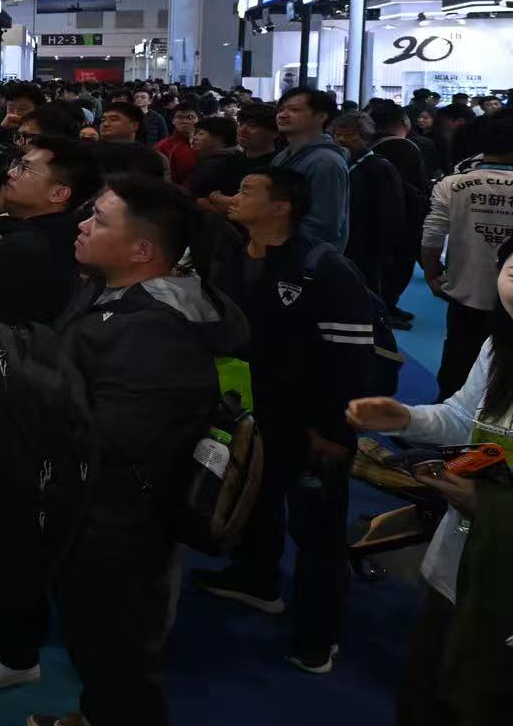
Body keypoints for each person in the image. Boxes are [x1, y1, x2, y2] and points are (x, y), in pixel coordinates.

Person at [31, 175, 250, 726]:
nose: (83, 225)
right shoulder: (114, 294)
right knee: (101, 650)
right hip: (98, 513)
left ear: (142, 251)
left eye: (100, 220)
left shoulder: (154, 331)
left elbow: (114, 438)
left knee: (119, 655)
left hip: (118, 525)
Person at [194, 169, 376, 672]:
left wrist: (335, 430)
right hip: (254, 412)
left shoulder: (323, 268)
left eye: (247, 191)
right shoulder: (235, 256)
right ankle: (256, 579)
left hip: (314, 423)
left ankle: (318, 635)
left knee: (318, 531)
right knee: (255, 498)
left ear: (281, 207)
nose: (234, 196)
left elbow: (352, 358)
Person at [346, 237, 513, 726]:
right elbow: (463, 417)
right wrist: (404, 418)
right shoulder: (498, 348)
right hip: (455, 566)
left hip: (503, 592)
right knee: (427, 691)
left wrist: (490, 506)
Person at [0, 135, 97, 326]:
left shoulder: (30, 247)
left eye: (25, 168)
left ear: (58, 193)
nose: (11, 173)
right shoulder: (56, 233)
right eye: (17, 165)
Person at [422, 114, 513, 397]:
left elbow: (432, 236)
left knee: (458, 362)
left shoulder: (453, 182)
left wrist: (431, 274)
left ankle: (448, 413)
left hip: (466, 291)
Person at [331, 110, 406, 301]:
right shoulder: (337, 163)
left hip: (368, 247)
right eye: (337, 134)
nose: (341, 140)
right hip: (342, 243)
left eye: (349, 135)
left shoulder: (379, 167)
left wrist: (383, 250)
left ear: (365, 136)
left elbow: (389, 215)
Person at [371, 99, 433, 326]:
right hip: (405, 218)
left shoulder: (372, 145)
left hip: (377, 215)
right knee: (399, 266)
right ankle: (385, 309)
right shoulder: (406, 147)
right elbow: (413, 186)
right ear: (405, 121)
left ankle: (386, 306)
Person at [270, 88, 350, 249]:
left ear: (321, 117)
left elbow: (324, 224)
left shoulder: (326, 161)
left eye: (294, 110)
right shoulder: (282, 156)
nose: (283, 115)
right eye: (281, 110)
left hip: (305, 255)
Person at [186, 116, 247, 203]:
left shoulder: (211, 165)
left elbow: (194, 197)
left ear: (219, 138)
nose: (195, 138)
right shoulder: (241, 157)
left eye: (200, 134)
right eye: (195, 134)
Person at [155, 103, 201, 186]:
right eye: (180, 117)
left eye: (190, 117)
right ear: (173, 121)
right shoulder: (163, 146)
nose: (185, 121)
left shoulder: (206, 143)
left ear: (198, 120)